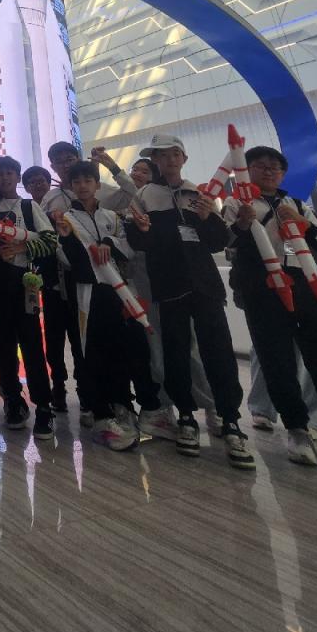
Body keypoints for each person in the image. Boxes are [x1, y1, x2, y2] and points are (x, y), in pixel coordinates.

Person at [224, 145, 317, 471]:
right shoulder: (235, 204)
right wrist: (243, 225)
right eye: (260, 166)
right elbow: (223, 242)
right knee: (277, 361)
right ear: (246, 170)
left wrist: (305, 224)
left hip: (304, 287)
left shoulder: (297, 204)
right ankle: (297, 430)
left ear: (283, 174)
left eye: (275, 167)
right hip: (262, 291)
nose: (269, 171)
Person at [126, 133, 254, 470]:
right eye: (161, 155)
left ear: (183, 158)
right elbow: (137, 242)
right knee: (176, 353)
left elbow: (217, 242)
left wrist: (208, 216)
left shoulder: (199, 194)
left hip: (206, 287)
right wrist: (141, 230)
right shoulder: (143, 196)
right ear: (154, 160)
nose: (168, 160)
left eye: (174, 154)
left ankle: (230, 419)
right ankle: (185, 415)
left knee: (219, 352)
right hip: (169, 288)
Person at [54, 162, 168, 451]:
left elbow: (128, 248)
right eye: (77, 181)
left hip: (119, 292)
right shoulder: (66, 220)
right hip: (87, 294)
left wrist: (108, 242)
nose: (82, 186)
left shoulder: (111, 217)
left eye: (87, 180)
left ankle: (126, 407)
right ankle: (102, 416)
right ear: (70, 186)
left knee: (128, 349)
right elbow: (65, 258)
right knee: (93, 353)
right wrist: (68, 240)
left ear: (97, 184)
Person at [127, 157, 221, 435]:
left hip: (181, 286)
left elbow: (214, 238)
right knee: (157, 349)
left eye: (145, 170)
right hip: (145, 287)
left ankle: (211, 403)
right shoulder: (134, 202)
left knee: (192, 348)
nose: (138, 174)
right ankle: (165, 406)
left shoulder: (191, 196)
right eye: (135, 170)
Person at [0, 155, 57, 440]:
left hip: (25, 283)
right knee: (3, 345)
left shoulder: (29, 207)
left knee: (31, 344)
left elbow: (51, 241)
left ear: (18, 177)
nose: (4, 178)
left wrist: (21, 248)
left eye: (9, 173)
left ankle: (43, 406)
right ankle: (13, 400)